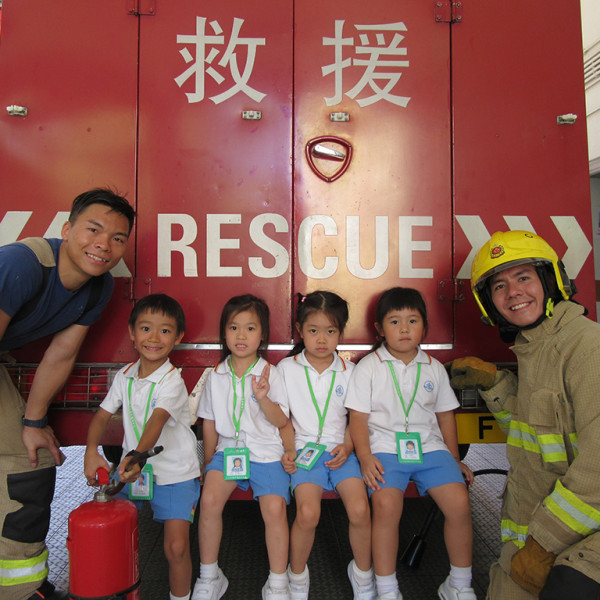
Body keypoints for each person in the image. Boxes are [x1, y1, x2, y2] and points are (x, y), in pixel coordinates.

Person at [447, 230, 600, 600]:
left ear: (551, 281)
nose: (513, 292)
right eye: (500, 286)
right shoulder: (535, 347)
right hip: (530, 542)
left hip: (574, 545)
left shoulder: (586, 347)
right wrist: (496, 383)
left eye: (523, 277)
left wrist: (542, 546)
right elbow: (531, 433)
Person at [0, 188, 134, 600]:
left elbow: (62, 353)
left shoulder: (98, 287)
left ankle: (20, 590)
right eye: (93, 229)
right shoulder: (21, 264)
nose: (104, 244)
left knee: (30, 459)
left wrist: (33, 422)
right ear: (66, 229)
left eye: (117, 238)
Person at [345, 287, 476, 600]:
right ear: (379, 329)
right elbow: (357, 418)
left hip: (431, 449)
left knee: (459, 503)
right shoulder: (369, 367)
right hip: (385, 450)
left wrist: (455, 459)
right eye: (395, 321)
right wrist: (365, 457)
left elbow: (445, 417)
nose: (404, 329)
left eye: (412, 321)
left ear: (424, 327)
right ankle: (387, 587)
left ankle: (459, 583)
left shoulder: (433, 367)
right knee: (386, 506)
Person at [84, 294, 200, 600]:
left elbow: (157, 422)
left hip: (174, 472)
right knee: (111, 534)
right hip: (132, 470)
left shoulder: (172, 381)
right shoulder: (124, 376)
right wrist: (91, 451)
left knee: (176, 547)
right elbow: (102, 415)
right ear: (132, 333)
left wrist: (135, 458)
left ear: (178, 337)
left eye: (165, 330)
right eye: (146, 328)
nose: (154, 338)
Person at [277, 291, 375, 600]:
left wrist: (348, 447)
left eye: (330, 331)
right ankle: (296, 574)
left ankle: (362, 573)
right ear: (299, 330)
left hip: (341, 452)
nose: (322, 339)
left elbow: (356, 419)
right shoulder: (286, 369)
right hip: (304, 453)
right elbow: (283, 420)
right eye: (313, 330)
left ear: (341, 332)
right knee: (308, 513)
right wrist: (289, 450)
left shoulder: (351, 371)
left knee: (360, 510)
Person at [193, 294, 291, 600]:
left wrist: (263, 398)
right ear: (224, 333)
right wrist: (208, 461)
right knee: (209, 501)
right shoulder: (216, 375)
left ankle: (278, 581)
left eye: (250, 328)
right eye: (234, 327)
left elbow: (282, 421)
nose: (241, 335)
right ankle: (210, 576)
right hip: (227, 451)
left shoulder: (271, 373)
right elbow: (209, 421)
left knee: (274, 508)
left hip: (266, 452)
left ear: (262, 335)